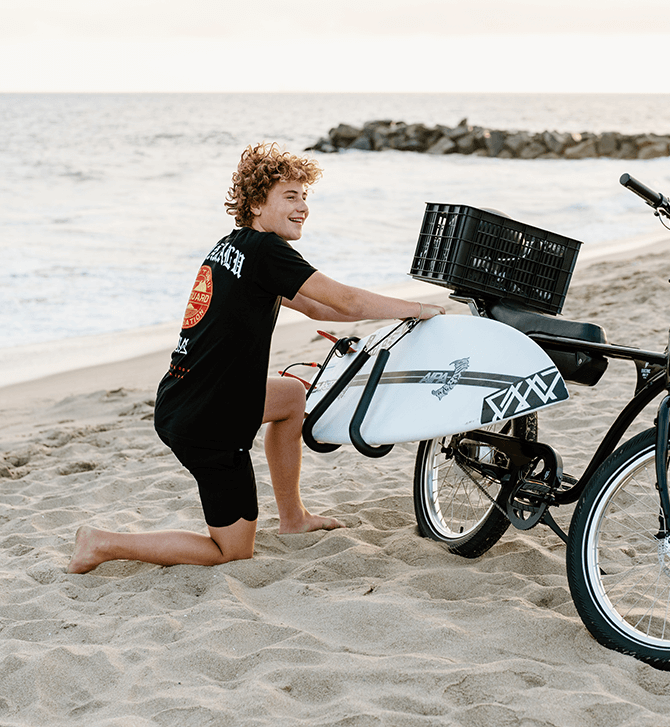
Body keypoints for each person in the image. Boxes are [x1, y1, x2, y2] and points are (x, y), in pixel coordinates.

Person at [68, 143, 444, 574]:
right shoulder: (267, 251)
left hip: (188, 396)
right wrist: (419, 308)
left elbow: (319, 307)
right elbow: (346, 300)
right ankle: (102, 543)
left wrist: (391, 315)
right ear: (255, 204)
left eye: (305, 197)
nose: (303, 207)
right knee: (231, 552)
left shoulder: (234, 247)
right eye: (290, 196)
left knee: (290, 398)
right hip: (209, 421)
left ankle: (293, 518)